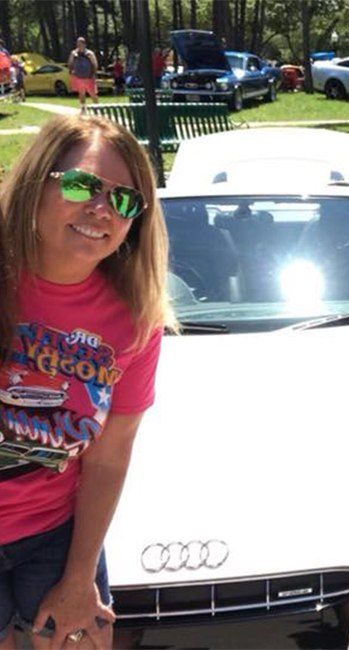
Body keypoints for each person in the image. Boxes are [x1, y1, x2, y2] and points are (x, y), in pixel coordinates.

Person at [0, 115, 175, 649]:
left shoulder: (135, 319)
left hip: (54, 536)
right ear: (36, 183)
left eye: (124, 201)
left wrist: (79, 579)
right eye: (81, 185)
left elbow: (109, 454)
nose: (101, 209)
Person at [67, 37, 99, 110]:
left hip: (89, 77)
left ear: (84, 44)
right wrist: (71, 71)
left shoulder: (90, 53)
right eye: (77, 43)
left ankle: (97, 108)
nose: (79, 45)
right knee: (81, 93)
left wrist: (93, 74)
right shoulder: (73, 53)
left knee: (93, 94)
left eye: (80, 44)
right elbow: (70, 63)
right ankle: (83, 109)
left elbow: (95, 64)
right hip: (78, 77)